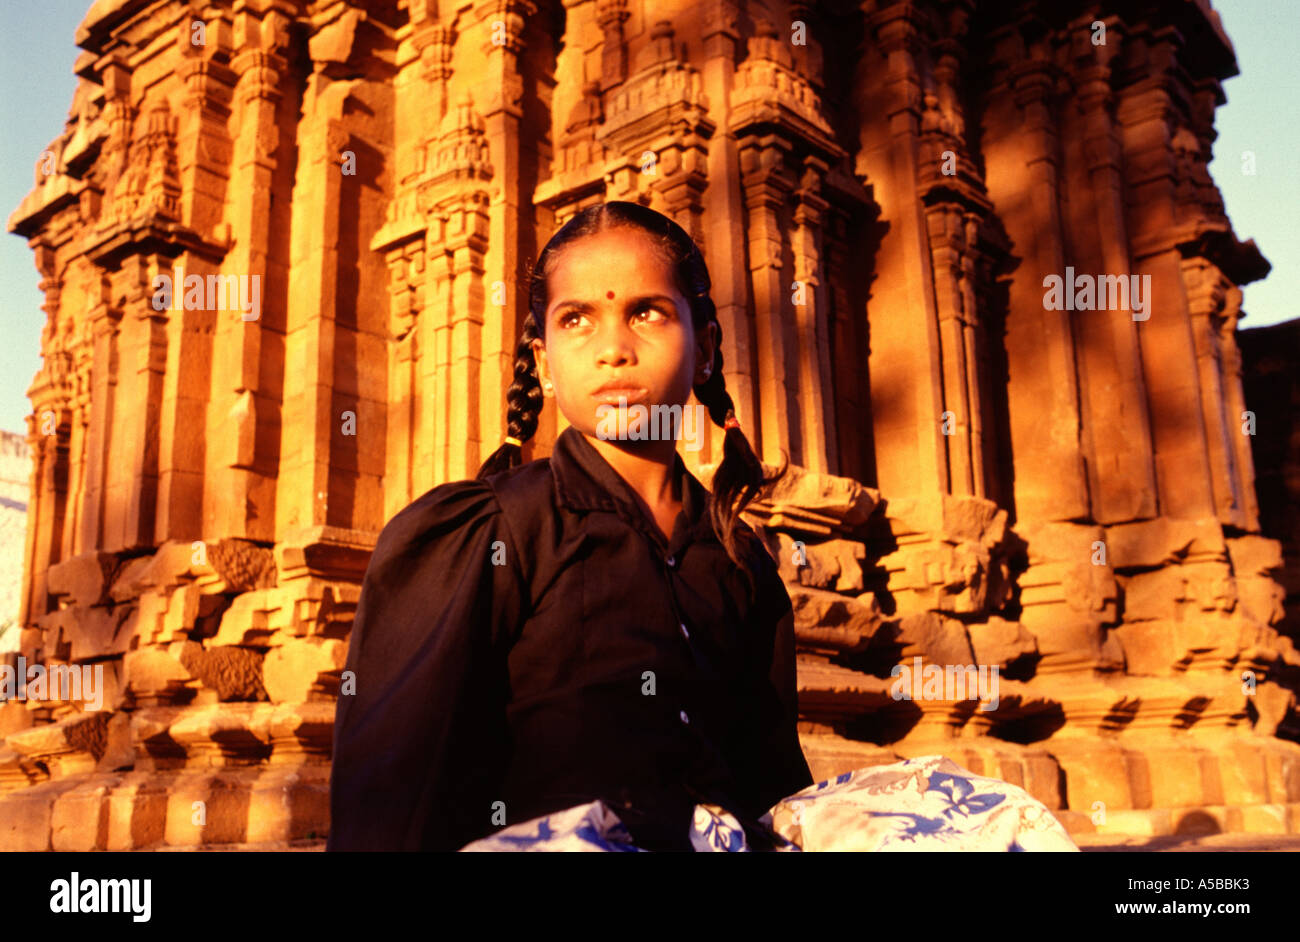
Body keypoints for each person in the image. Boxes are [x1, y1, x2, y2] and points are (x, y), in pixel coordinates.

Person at [326, 201, 1080, 853]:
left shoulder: (737, 559)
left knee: (984, 824)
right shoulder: (488, 530)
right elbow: (392, 796)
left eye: (646, 312)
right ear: (544, 362)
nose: (613, 347)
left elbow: (768, 775)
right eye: (576, 319)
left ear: (707, 345)